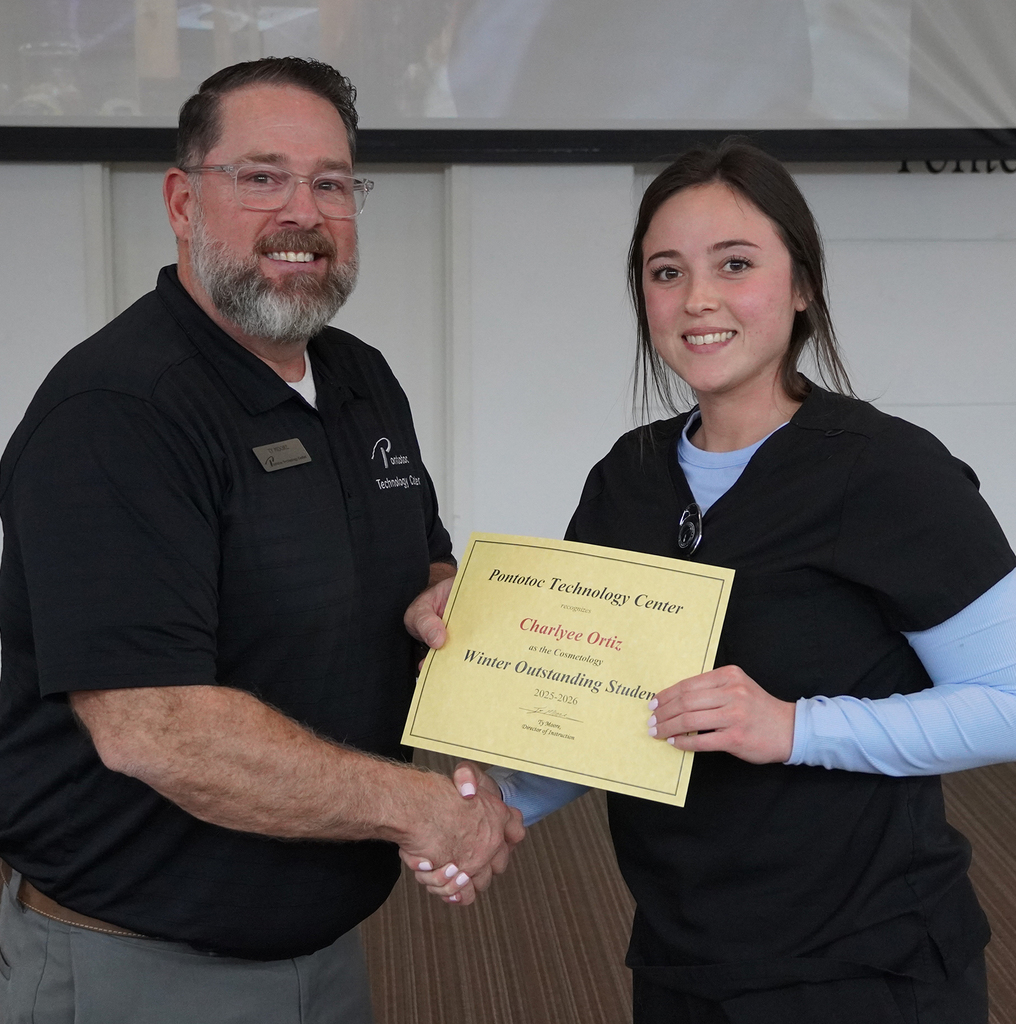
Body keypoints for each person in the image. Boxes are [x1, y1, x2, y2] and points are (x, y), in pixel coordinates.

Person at [407, 140, 1016, 1024]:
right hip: (684, 956)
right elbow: (602, 710)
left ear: (801, 286)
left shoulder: (888, 472)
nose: (697, 299)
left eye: (736, 264)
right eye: (666, 272)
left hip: (864, 968)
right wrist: (495, 807)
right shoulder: (629, 476)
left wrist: (793, 726)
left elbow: (1009, 699)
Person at [0, 56, 522, 1024]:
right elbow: (159, 729)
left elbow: (422, 560)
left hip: (321, 950)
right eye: (261, 176)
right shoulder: (117, 413)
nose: (302, 212)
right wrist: (423, 808)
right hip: (133, 966)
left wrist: (436, 598)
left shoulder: (359, 377)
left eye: (330, 183)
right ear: (183, 201)